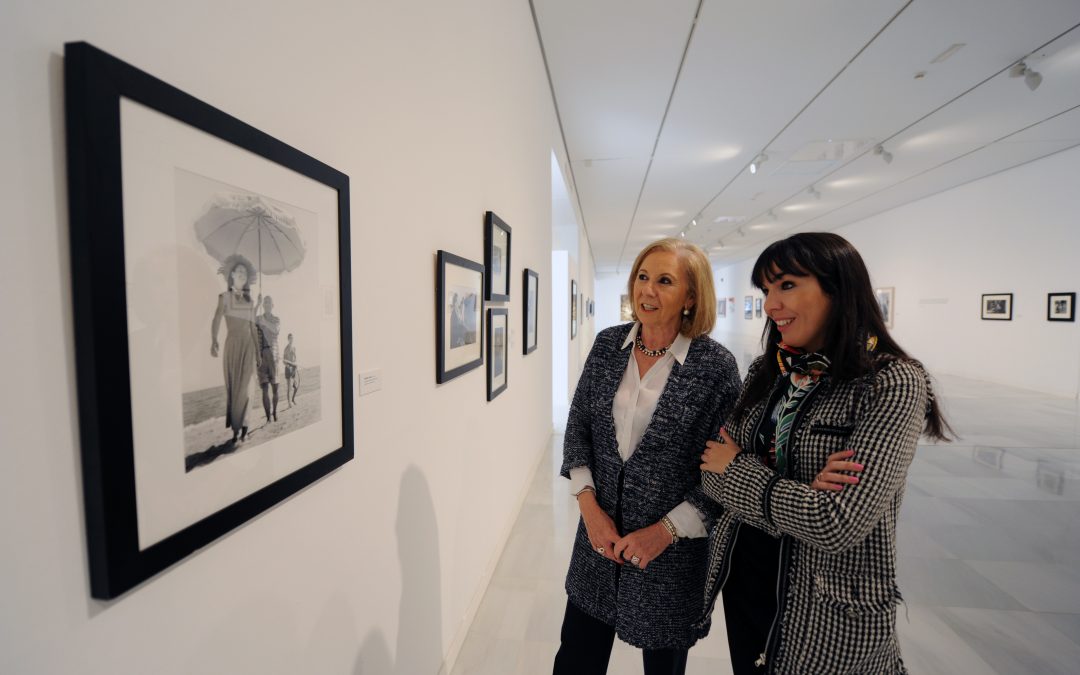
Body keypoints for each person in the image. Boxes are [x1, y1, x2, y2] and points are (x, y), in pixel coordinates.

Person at [697, 232, 951, 674]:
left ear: (839, 288)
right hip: (748, 583)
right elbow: (710, 469)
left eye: (787, 285)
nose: (771, 304)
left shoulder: (891, 383)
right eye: (767, 290)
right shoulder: (767, 371)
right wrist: (799, 491)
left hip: (828, 608)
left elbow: (836, 522)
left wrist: (745, 468)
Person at [553, 238, 742, 675]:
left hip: (670, 558)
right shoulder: (607, 346)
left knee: (663, 668)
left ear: (691, 297)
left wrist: (665, 532)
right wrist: (589, 510)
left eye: (664, 281)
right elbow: (579, 426)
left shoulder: (715, 368)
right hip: (597, 545)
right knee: (575, 660)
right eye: (642, 277)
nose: (647, 291)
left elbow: (722, 471)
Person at [210, 254, 261, 445]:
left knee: (248, 390)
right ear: (231, 276)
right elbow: (216, 319)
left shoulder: (249, 302)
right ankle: (235, 431)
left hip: (248, 346)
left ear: (247, 279)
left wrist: (257, 351)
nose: (241, 274)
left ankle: (245, 430)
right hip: (232, 346)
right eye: (238, 271)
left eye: (244, 273)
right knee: (235, 390)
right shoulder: (223, 298)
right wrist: (214, 339)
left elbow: (253, 328)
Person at [255, 295, 282, 423]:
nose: (266, 304)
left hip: (274, 354)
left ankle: (275, 412)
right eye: (264, 302)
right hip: (261, 354)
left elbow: (275, 329)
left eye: (268, 302)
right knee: (264, 388)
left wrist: (264, 322)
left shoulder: (276, 319)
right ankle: (268, 418)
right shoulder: (259, 319)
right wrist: (257, 304)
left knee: (275, 388)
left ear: (272, 305)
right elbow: (250, 321)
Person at [283, 333, 299, 408]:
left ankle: (293, 399)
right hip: (288, 368)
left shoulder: (294, 347)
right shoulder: (286, 349)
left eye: (292, 338)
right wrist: (287, 365)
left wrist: (296, 364)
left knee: (295, 386)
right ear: (288, 339)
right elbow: (283, 360)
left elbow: (295, 358)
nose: (291, 339)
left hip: (294, 368)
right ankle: (289, 403)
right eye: (290, 338)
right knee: (289, 387)